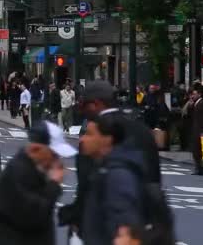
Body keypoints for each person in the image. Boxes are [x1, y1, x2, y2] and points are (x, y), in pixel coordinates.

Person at [58, 80, 162, 240]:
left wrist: (76, 217)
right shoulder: (141, 130)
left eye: (84, 106)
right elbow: (154, 180)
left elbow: (86, 183)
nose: (82, 111)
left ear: (95, 104)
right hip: (138, 227)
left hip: (100, 226)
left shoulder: (94, 131)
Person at [0, 120, 77, 245]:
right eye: (53, 154)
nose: (56, 159)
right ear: (36, 149)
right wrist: (54, 185)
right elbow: (34, 215)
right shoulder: (19, 172)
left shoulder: (31, 169)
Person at [79, 113, 146, 245]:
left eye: (89, 134)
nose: (82, 139)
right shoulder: (104, 168)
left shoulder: (118, 175)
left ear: (107, 139)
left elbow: (125, 226)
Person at [189, 86, 203, 175]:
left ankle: (200, 169)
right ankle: (199, 168)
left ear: (199, 94)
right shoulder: (196, 103)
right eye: (192, 94)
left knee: (200, 150)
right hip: (196, 130)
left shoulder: (202, 103)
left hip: (200, 131)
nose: (193, 96)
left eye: (194, 94)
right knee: (196, 150)